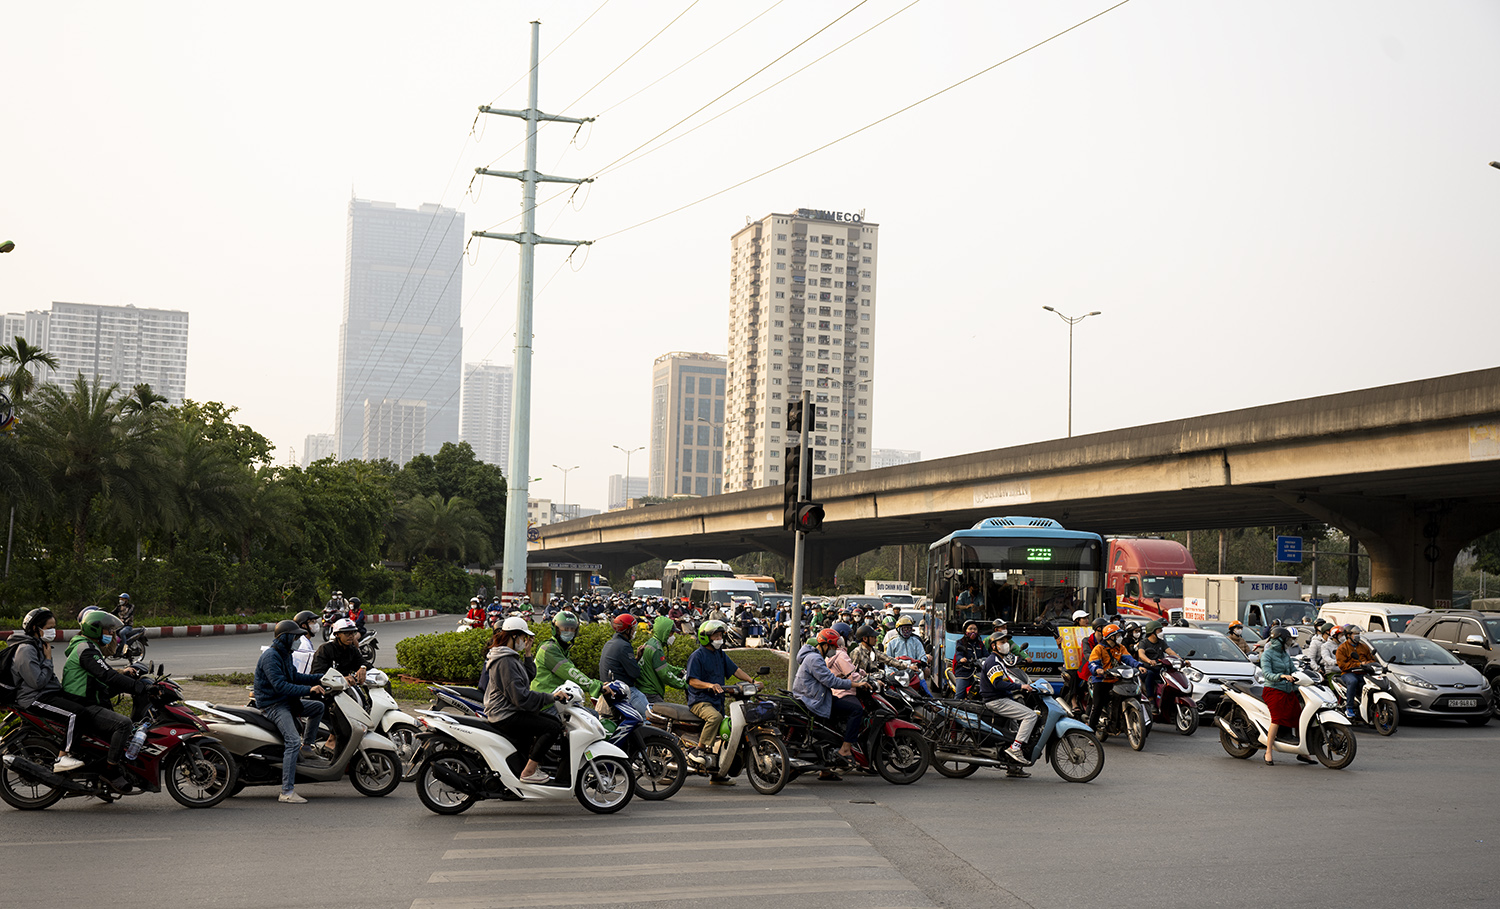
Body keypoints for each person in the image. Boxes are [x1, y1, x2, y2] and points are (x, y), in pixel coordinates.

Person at [62, 609, 154, 790]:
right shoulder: (86, 649)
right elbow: (107, 675)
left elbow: (102, 678)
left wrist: (128, 678)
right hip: (83, 704)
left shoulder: (89, 647)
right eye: (108, 631)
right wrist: (137, 687)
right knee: (123, 724)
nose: (111, 634)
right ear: (95, 629)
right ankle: (110, 771)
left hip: (88, 699)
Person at [483, 617, 570, 784]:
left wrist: (528, 653)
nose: (524, 641)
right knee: (552, 727)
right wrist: (551, 697)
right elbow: (521, 697)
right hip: (505, 714)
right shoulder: (505, 661)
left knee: (552, 721)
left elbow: (528, 677)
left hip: (510, 711)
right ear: (513, 636)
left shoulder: (509, 656)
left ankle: (524, 767)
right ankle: (529, 771)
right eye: (523, 638)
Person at [253, 620, 330, 803]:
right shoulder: (271, 656)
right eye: (295, 637)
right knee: (293, 740)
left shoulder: (285, 653)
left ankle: (308, 747)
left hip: (285, 701)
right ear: (286, 637)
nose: (297, 640)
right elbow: (280, 686)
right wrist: (308, 690)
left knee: (318, 707)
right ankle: (286, 791)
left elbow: (295, 676)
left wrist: (323, 678)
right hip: (273, 705)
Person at [11, 608, 92, 773]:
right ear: (36, 628)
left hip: (46, 694)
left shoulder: (39, 644)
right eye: (49, 627)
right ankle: (63, 757)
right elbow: (37, 682)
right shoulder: (26, 649)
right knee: (76, 713)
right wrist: (48, 659)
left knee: (87, 703)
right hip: (34, 698)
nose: (52, 631)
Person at [683, 620, 755, 783]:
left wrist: (752, 682)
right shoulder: (697, 656)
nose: (719, 639)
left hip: (717, 701)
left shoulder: (720, 654)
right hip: (700, 701)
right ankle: (698, 750)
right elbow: (692, 681)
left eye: (720, 635)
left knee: (724, 733)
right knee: (714, 718)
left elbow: (735, 670)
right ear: (705, 637)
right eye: (715, 635)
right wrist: (709, 685)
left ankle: (717, 774)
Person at [793, 628, 867, 781]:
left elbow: (824, 677)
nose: (834, 650)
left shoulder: (813, 657)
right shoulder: (814, 658)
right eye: (832, 647)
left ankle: (826, 769)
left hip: (814, 696)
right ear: (825, 645)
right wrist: (857, 684)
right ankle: (846, 749)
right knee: (856, 710)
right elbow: (831, 682)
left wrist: (837, 676)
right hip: (814, 700)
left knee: (836, 725)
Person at [978, 630, 1049, 773]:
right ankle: (1015, 749)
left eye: (1006, 642)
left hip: (1002, 698)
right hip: (996, 700)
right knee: (1030, 716)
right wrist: (1020, 686)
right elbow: (998, 684)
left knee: (1015, 732)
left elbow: (1011, 674)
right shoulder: (993, 662)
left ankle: (1013, 767)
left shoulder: (1001, 660)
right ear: (994, 646)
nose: (1006, 645)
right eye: (1002, 642)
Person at [1260, 626, 1315, 765]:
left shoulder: (1285, 654)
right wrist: (1281, 676)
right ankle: (1268, 751)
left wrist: (1303, 677)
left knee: (1299, 718)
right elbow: (1267, 674)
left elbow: (1294, 670)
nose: (1290, 641)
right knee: (1276, 719)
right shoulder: (1267, 654)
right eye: (1288, 639)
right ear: (1280, 639)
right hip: (1273, 690)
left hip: (1288, 690)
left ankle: (1302, 753)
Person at [532, 611, 602, 700]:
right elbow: (568, 671)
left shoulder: (561, 648)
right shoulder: (548, 649)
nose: (569, 632)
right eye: (565, 628)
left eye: (572, 629)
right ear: (556, 629)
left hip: (559, 697)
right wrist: (596, 686)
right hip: (545, 700)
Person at [1086, 623, 1141, 733]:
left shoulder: (1121, 648)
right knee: (1097, 706)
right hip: (1102, 680)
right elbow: (1092, 663)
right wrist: (1098, 669)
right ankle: (1090, 732)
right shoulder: (1099, 648)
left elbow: (1129, 659)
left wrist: (1139, 666)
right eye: (1118, 635)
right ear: (1111, 636)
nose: (1120, 637)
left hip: (1118, 680)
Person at [599, 614, 652, 718]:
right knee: (648, 716)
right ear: (627, 630)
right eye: (633, 629)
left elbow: (620, 666)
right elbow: (635, 673)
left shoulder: (610, 643)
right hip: (623, 690)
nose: (634, 632)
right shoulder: (624, 646)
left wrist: (636, 658)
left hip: (608, 687)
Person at [637, 616, 687, 704]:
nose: (673, 636)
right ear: (664, 632)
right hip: (650, 692)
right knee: (664, 715)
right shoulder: (657, 649)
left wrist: (678, 671)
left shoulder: (651, 643)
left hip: (644, 689)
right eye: (671, 633)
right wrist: (684, 684)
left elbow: (662, 665)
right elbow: (665, 675)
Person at [1335, 623, 1377, 722]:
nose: (1357, 635)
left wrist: (1367, 663)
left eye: (1358, 633)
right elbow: (1342, 665)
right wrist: (1358, 664)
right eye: (1355, 633)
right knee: (1353, 681)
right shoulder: (1342, 648)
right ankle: (1349, 708)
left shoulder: (1364, 647)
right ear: (1348, 635)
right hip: (1348, 673)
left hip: (1363, 673)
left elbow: (1372, 659)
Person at [1134, 621, 1183, 705]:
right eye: (1159, 630)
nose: (1161, 632)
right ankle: (1151, 699)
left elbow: (1171, 652)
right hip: (1146, 669)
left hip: (1159, 669)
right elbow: (1141, 654)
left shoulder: (1161, 642)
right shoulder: (1144, 642)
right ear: (1152, 632)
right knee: (1149, 674)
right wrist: (1149, 661)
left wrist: (1182, 660)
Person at [951, 622, 985, 698]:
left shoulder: (980, 644)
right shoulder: (960, 642)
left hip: (978, 673)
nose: (973, 631)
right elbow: (959, 654)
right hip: (964, 672)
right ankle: (954, 709)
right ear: (965, 631)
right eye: (970, 629)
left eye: (975, 629)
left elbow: (986, 655)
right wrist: (961, 659)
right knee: (959, 695)